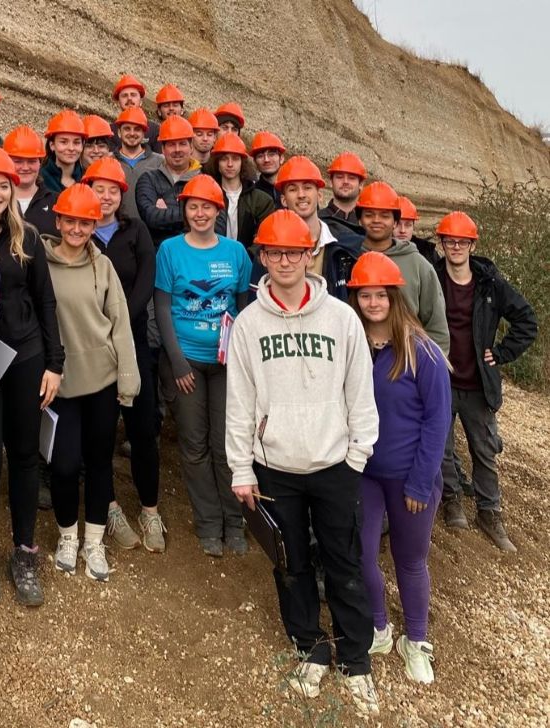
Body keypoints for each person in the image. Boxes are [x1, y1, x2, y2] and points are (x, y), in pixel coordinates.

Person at [225, 210, 380, 716]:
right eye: (275, 252)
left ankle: (356, 660)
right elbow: (240, 401)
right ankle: (311, 648)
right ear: (263, 257)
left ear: (309, 254)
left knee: (345, 562)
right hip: (276, 468)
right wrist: (242, 468)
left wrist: (357, 455)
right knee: (290, 566)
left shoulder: (341, 318)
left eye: (295, 251)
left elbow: (360, 392)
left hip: (334, 463)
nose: (286, 260)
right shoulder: (249, 323)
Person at [0, 148, 65, 606]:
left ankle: (25, 551)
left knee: (24, 456)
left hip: (25, 357)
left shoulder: (28, 238)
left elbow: (46, 300)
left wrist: (54, 364)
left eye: (5, 185)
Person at [347, 252, 451, 685]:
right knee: (363, 553)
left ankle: (417, 639)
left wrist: (421, 481)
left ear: (394, 297)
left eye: (380, 295)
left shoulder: (420, 350)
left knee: (410, 560)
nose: (373, 303)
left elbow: (438, 420)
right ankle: (378, 627)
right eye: (364, 295)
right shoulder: (352, 347)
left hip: (411, 476)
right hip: (366, 473)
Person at [42, 184, 141, 581]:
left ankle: (94, 541)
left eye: (86, 222)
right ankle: (68, 535)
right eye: (71, 221)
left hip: (101, 380)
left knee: (100, 463)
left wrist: (128, 379)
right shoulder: (42, 265)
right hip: (61, 384)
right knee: (64, 465)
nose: (78, 229)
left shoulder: (103, 267)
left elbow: (119, 324)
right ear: (59, 221)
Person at [155, 174, 251, 556]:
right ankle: (209, 523)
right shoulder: (170, 250)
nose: (199, 213)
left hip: (227, 364)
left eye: (206, 206)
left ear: (218, 211)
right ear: (185, 210)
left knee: (226, 445)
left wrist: (243, 362)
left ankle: (235, 521)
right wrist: (178, 363)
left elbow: (243, 308)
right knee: (194, 445)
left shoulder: (235, 253)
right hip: (187, 361)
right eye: (192, 206)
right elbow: (162, 307)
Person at [434, 212, 537, 551]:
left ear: (472, 244)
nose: (456, 247)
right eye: (450, 241)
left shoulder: (490, 284)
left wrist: (502, 352)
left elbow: (526, 320)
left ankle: (489, 512)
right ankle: (452, 502)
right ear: (442, 244)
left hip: (479, 384)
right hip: (443, 380)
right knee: (443, 448)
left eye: (462, 241)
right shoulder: (433, 278)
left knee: (484, 450)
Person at [83, 158, 165, 553]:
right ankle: (110, 508)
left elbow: (146, 281)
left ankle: (150, 510)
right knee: (99, 434)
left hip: (132, 343)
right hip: (92, 349)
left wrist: (118, 324)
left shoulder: (137, 231)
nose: (106, 197)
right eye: (99, 189)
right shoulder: (80, 234)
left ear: (122, 195)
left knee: (142, 430)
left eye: (113, 190)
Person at [356, 182, 449, 354]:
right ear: (359, 219)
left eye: (385, 215)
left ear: (395, 221)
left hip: (405, 364)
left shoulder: (418, 264)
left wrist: (433, 367)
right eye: (369, 214)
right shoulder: (347, 257)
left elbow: (436, 326)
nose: (376, 220)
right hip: (355, 361)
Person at [270, 156, 362, 301]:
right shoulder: (268, 249)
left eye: (307, 188)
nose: (301, 195)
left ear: (319, 195)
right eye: (293, 189)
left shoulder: (347, 246)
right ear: (283, 200)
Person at [135, 115, 199, 246]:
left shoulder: (203, 181)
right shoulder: (148, 179)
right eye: (171, 144)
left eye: (182, 143)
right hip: (158, 257)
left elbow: (215, 224)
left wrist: (166, 212)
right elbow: (151, 218)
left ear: (191, 147)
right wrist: (196, 216)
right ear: (163, 149)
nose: (177, 150)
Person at [203, 133, 274, 248]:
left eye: (235, 159)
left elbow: (264, 240)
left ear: (242, 162)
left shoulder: (262, 201)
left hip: (247, 262)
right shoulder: (206, 196)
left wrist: (243, 260)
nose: (230, 164)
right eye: (224, 159)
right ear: (217, 163)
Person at [4, 125, 58, 236]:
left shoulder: (57, 202)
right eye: (18, 161)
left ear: (40, 163)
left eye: (32, 161)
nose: (25, 167)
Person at [115, 107, 163, 217]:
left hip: (150, 230)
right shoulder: (108, 161)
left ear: (144, 133)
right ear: (119, 132)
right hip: (117, 229)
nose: (132, 133)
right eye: (127, 129)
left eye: (137, 129)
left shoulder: (160, 162)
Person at [110, 74, 161, 152]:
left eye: (133, 95)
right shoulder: (110, 132)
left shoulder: (155, 130)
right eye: (124, 95)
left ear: (141, 101)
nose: (129, 98)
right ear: (118, 102)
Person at [40, 109, 86, 194]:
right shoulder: (39, 179)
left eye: (76, 142)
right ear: (52, 145)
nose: (71, 148)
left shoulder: (88, 180)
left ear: (82, 145)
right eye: (64, 142)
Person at [319, 152, 366, 230]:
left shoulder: (367, 225)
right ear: (331, 182)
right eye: (340, 177)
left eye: (351, 178)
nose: (345, 182)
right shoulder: (318, 221)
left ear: (361, 184)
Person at [396, 196, 440, 264]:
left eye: (408, 225)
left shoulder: (427, 252)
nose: (402, 230)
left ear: (413, 226)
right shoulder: (378, 250)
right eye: (398, 224)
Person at [250, 131, 287, 209]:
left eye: (271, 154)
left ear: (281, 158)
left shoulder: (293, 190)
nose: (266, 160)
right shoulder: (250, 194)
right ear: (254, 162)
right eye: (260, 156)